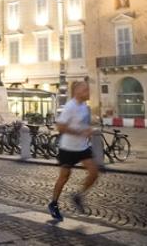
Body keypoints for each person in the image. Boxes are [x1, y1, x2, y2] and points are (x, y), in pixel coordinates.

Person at [48, 81, 99, 222]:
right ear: (78, 92)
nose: (88, 92)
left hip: (82, 147)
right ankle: (53, 203)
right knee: (64, 177)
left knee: (94, 173)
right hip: (68, 148)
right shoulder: (70, 107)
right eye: (86, 90)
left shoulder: (84, 106)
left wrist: (88, 130)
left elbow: (83, 123)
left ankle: (78, 196)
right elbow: (60, 127)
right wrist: (79, 132)